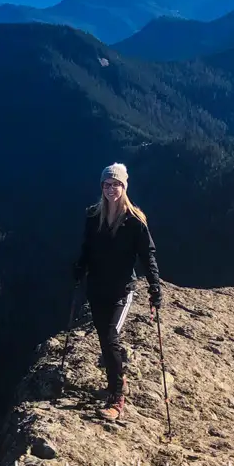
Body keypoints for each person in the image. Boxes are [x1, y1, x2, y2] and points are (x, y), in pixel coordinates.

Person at [73, 162, 162, 421]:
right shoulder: (93, 217)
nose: (111, 189)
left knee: (110, 336)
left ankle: (117, 396)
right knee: (104, 337)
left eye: (116, 184)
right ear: (102, 186)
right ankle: (114, 385)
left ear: (124, 187)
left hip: (121, 289)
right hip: (97, 287)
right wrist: (80, 266)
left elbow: (148, 255)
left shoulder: (135, 222)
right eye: (106, 184)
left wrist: (155, 286)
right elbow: (88, 248)